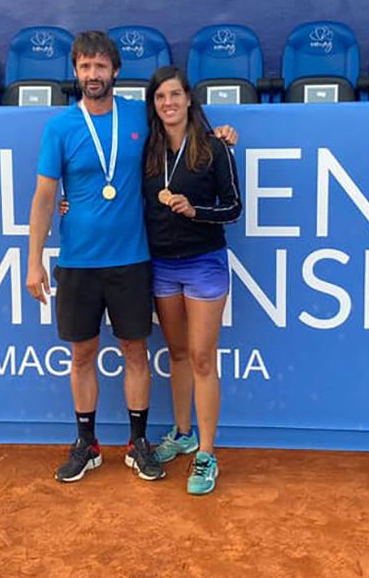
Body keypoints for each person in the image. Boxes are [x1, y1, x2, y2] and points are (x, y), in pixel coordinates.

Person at [26, 32, 237, 484]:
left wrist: (218, 133)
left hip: (132, 260)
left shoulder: (139, 118)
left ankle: (138, 443)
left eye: (101, 66)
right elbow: (46, 196)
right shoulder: (59, 128)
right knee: (82, 355)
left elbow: (182, 127)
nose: (93, 75)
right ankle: (87, 444)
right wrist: (33, 259)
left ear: (115, 71)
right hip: (78, 262)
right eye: (85, 67)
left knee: (135, 353)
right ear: (76, 71)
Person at [142, 66, 241, 495]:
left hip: (204, 264)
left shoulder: (215, 149)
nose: (169, 103)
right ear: (155, 105)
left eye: (176, 95)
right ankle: (182, 433)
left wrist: (196, 210)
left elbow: (234, 208)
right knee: (177, 353)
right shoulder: (146, 150)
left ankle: (206, 454)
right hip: (162, 265)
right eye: (161, 97)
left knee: (202, 358)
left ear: (189, 100)